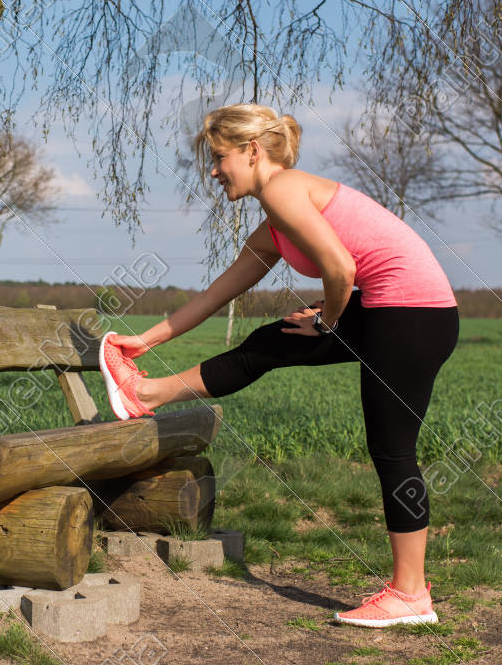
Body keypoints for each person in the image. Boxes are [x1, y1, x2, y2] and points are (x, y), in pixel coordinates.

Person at [98, 104, 460, 627]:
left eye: (220, 158)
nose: (214, 171)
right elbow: (220, 291)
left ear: (252, 151)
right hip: (400, 311)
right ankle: (145, 392)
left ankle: (409, 595)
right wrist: (144, 339)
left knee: (393, 451)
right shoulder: (276, 222)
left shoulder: (284, 190)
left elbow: (341, 267)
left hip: (410, 318)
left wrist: (330, 323)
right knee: (272, 340)